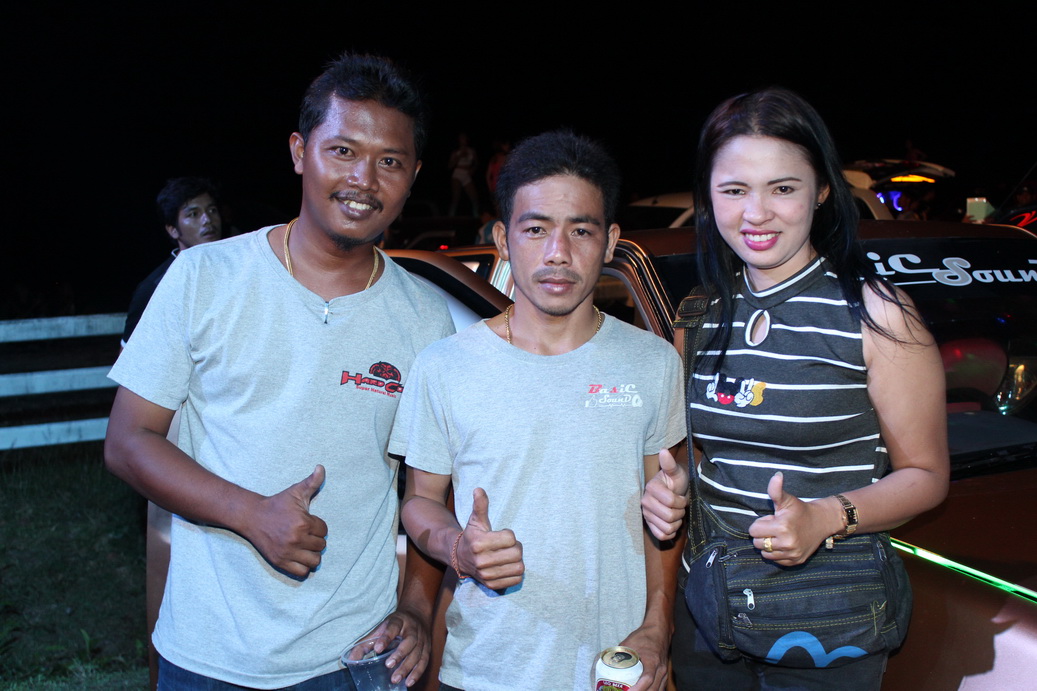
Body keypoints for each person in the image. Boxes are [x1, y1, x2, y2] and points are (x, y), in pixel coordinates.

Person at [104, 53, 455, 690]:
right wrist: (250, 513)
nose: (363, 180)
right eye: (343, 151)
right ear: (299, 152)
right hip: (209, 654)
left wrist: (415, 606)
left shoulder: (426, 318)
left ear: (413, 176)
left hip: (355, 659)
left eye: (390, 162)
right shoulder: (204, 277)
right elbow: (128, 442)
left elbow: (432, 487)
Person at [641, 88, 949, 690]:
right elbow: (694, 459)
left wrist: (825, 517)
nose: (756, 213)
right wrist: (670, 491)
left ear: (822, 190)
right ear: (708, 196)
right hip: (710, 612)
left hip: (829, 616)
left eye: (782, 188)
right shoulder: (698, 316)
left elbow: (927, 475)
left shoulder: (876, 315)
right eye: (734, 190)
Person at [390, 130, 687, 691]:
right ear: (503, 239)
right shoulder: (444, 365)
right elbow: (420, 502)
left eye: (581, 230)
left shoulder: (652, 363)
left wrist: (658, 625)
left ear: (610, 241)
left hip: (615, 670)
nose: (558, 253)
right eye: (535, 229)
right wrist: (458, 547)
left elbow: (664, 516)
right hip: (485, 670)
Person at [121, 177, 222, 346]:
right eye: (193, 214)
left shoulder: (240, 268)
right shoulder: (155, 287)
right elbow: (127, 355)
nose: (207, 220)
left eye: (212, 210)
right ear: (173, 230)